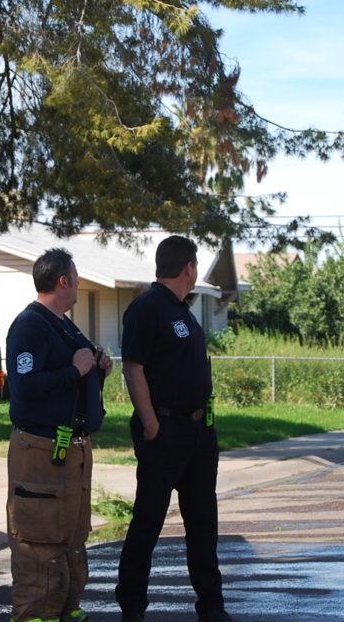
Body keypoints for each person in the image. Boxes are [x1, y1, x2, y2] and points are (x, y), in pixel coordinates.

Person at [115, 235, 231, 622]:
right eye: (195, 265)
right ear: (189, 268)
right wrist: (151, 423)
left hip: (198, 433)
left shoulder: (183, 309)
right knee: (148, 522)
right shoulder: (147, 308)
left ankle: (212, 608)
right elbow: (133, 367)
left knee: (203, 524)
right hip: (165, 431)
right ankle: (132, 608)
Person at [6, 248, 113, 622]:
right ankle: (35, 615)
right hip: (40, 450)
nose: (80, 284)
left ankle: (65, 609)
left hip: (70, 451)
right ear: (63, 281)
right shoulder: (30, 326)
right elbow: (26, 386)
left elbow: (74, 376)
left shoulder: (65, 326)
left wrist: (97, 369)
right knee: (40, 536)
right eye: (77, 277)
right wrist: (75, 371)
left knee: (70, 534)